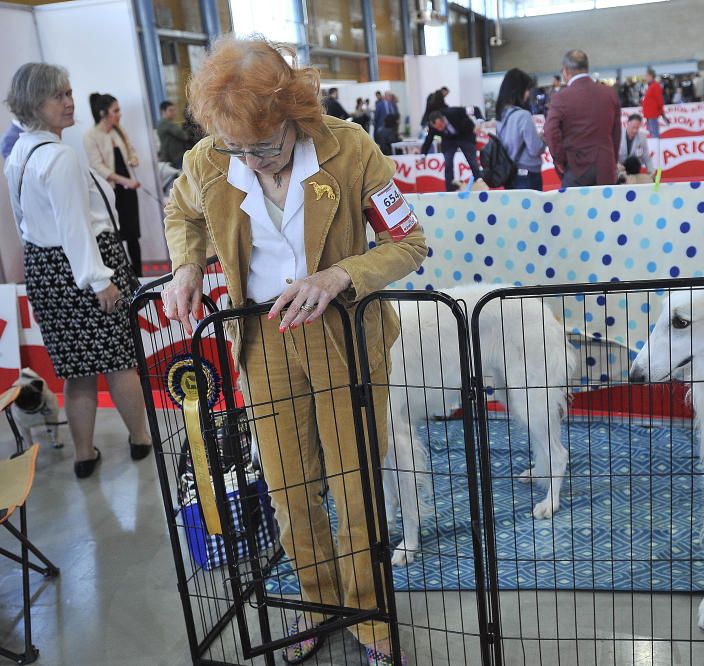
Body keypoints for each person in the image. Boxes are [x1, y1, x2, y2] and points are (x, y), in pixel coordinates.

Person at [159, 37, 426, 665]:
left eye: (265, 147)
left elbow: (409, 242)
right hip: (262, 343)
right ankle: (317, 603)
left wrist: (339, 277)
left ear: (295, 113)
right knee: (290, 490)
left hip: (345, 340)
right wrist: (186, 265)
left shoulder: (351, 149)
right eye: (236, 149)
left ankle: (368, 616)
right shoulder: (211, 160)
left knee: (355, 485)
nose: (250, 163)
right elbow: (182, 212)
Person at [4, 63, 151, 479]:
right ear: (36, 103)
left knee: (76, 370)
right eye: (59, 96)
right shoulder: (60, 156)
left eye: (70, 93)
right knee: (120, 361)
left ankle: (83, 454)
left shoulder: (18, 152)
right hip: (85, 267)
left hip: (46, 270)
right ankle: (140, 438)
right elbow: (76, 227)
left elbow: (26, 223)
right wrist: (99, 280)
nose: (70, 103)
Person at [84, 93, 143, 276]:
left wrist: (133, 159)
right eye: (116, 110)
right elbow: (98, 167)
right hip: (112, 192)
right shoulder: (90, 136)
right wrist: (126, 181)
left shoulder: (119, 130)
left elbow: (131, 150)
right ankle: (125, 275)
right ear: (103, 113)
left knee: (133, 234)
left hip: (129, 190)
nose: (120, 114)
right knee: (117, 235)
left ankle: (140, 275)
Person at [543, 49, 621, 188]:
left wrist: (560, 160)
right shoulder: (609, 93)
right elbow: (616, 133)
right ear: (586, 68)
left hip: (575, 168)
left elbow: (550, 131)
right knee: (607, 209)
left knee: (574, 209)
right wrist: (611, 160)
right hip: (605, 166)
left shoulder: (560, 97)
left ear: (566, 71)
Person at [495, 68, 546, 191]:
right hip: (528, 174)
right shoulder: (523, 115)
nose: (528, 94)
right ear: (518, 90)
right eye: (527, 89)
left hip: (509, 174)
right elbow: (535, 149)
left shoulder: (501, 115)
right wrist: (543, 139)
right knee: (533, 209)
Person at [420, 107, 481, 191]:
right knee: (448, 163)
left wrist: (479, 122)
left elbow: (475, 109)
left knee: (472, 160)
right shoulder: (433, 126)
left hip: (465, 135)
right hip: (449, 140)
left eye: (440, 126)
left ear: (442, 119)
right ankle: (450, 189)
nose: (439, 129)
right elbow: (428, 140)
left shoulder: (454, 112)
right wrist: (423, 155)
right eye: (437, 128)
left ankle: (479, 181)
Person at [157, 99, 189, 169]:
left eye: (174, 110)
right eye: (171, 110)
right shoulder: (167, 124)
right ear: (163, 111)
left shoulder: (162, 123)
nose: (174, 112)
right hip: (175, 157)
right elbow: (184, 136)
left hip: (171, 157)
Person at [641, 68, 666, 143]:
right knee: (652, 132)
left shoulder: (655, 86)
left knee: (654, 133)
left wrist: (661, 112)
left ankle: (657, 147)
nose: (645, 77)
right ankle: (655, 146)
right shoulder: (651, 86)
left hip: (652, 113)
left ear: (650, 76)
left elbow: (659, 100)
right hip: (649, 113)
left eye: (646, 75)